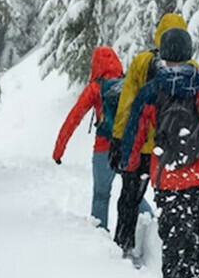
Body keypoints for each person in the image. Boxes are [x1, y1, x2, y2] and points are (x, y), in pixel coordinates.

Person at [118, 28, 199, 278]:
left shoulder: (151, 91)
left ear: (163, 54)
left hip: (168, 175)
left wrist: (129, 163)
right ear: (189, 52)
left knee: (174, 231)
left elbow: (134, 133)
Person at [109, 13, 191, 256]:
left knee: (130, 198)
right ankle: (174, 253)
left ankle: (124, 245)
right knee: (175, 203)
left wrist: (118, 139)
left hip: (142, 147)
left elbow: (127, 104)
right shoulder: (192, 68)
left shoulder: (142, 61)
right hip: (175, 151)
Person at [52, 46, 149, 230]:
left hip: (104, 149)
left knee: (101, 195)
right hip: (127, 147)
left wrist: (58, 151)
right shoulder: (127, 83)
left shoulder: (95, 88)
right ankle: (150, 226)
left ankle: (100, 239)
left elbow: (73, 118)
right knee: (133, 193)